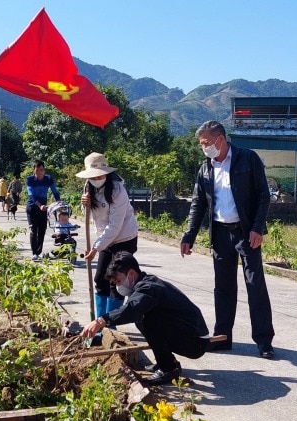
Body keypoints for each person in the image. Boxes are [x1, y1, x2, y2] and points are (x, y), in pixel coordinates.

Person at [180, 120, 276, 359]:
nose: (204, 148)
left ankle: (264, 341)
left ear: (220, 140)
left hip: (246, 233)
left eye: (206, 143)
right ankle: (222, 337)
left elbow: (263, 196)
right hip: (221, 234)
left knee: (255, 286)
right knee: (222, 288)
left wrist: (257, 228)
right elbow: (198, 203)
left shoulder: (248, 159)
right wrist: (189, 235)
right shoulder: (206, 168)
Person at [81, 251, 210, 386]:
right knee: (144, 318)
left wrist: (101, 321)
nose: (118, 286)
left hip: (195, 341)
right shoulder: (145, 284)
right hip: (189, 334)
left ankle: (169, 369)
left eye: (118, 281)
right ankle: (166, 362)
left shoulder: (149, 288)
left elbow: (131, 310)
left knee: (147, 319)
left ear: (131, 274)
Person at [77, 152, 139, 340]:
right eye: (93, 175)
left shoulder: (118, 190)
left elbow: (115, 226)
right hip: (104, 238)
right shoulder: (88, 187)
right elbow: (90, 214)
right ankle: (97, 323)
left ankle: (110, 327)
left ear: (106, 173)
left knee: (115, 281)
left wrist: (96, 247)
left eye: (100, 174)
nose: (97, 178)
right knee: (99, 279)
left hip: (124, 238)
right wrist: (84, 204)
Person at [25, 160, 60, 261]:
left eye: (41, 170)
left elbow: (55, 191)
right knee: (33, 230)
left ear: (44, 170)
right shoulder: (30, 179)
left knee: (42, 230)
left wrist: (58, 202)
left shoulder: (48, 179)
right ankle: (34, 253)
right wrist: (40, 205)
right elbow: (31, 195)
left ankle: (38, 252)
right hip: (32, 208)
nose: (39, 172)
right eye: (37, 170)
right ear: (34, 170)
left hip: (43, 209)